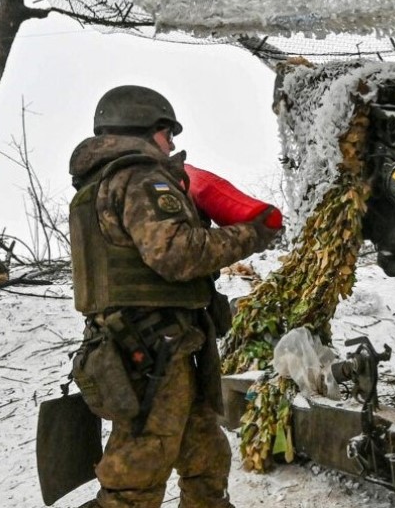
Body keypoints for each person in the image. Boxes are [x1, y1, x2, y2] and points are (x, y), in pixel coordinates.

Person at [68, 85, 281, 508]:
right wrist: (252, 234)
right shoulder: (139, 178)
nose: (171, 145)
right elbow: (177, 254)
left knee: (205, 456)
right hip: (153, 348)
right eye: (167, 134)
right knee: (139, 469)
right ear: (144, 128)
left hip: (158, 343)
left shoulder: (99, 185)